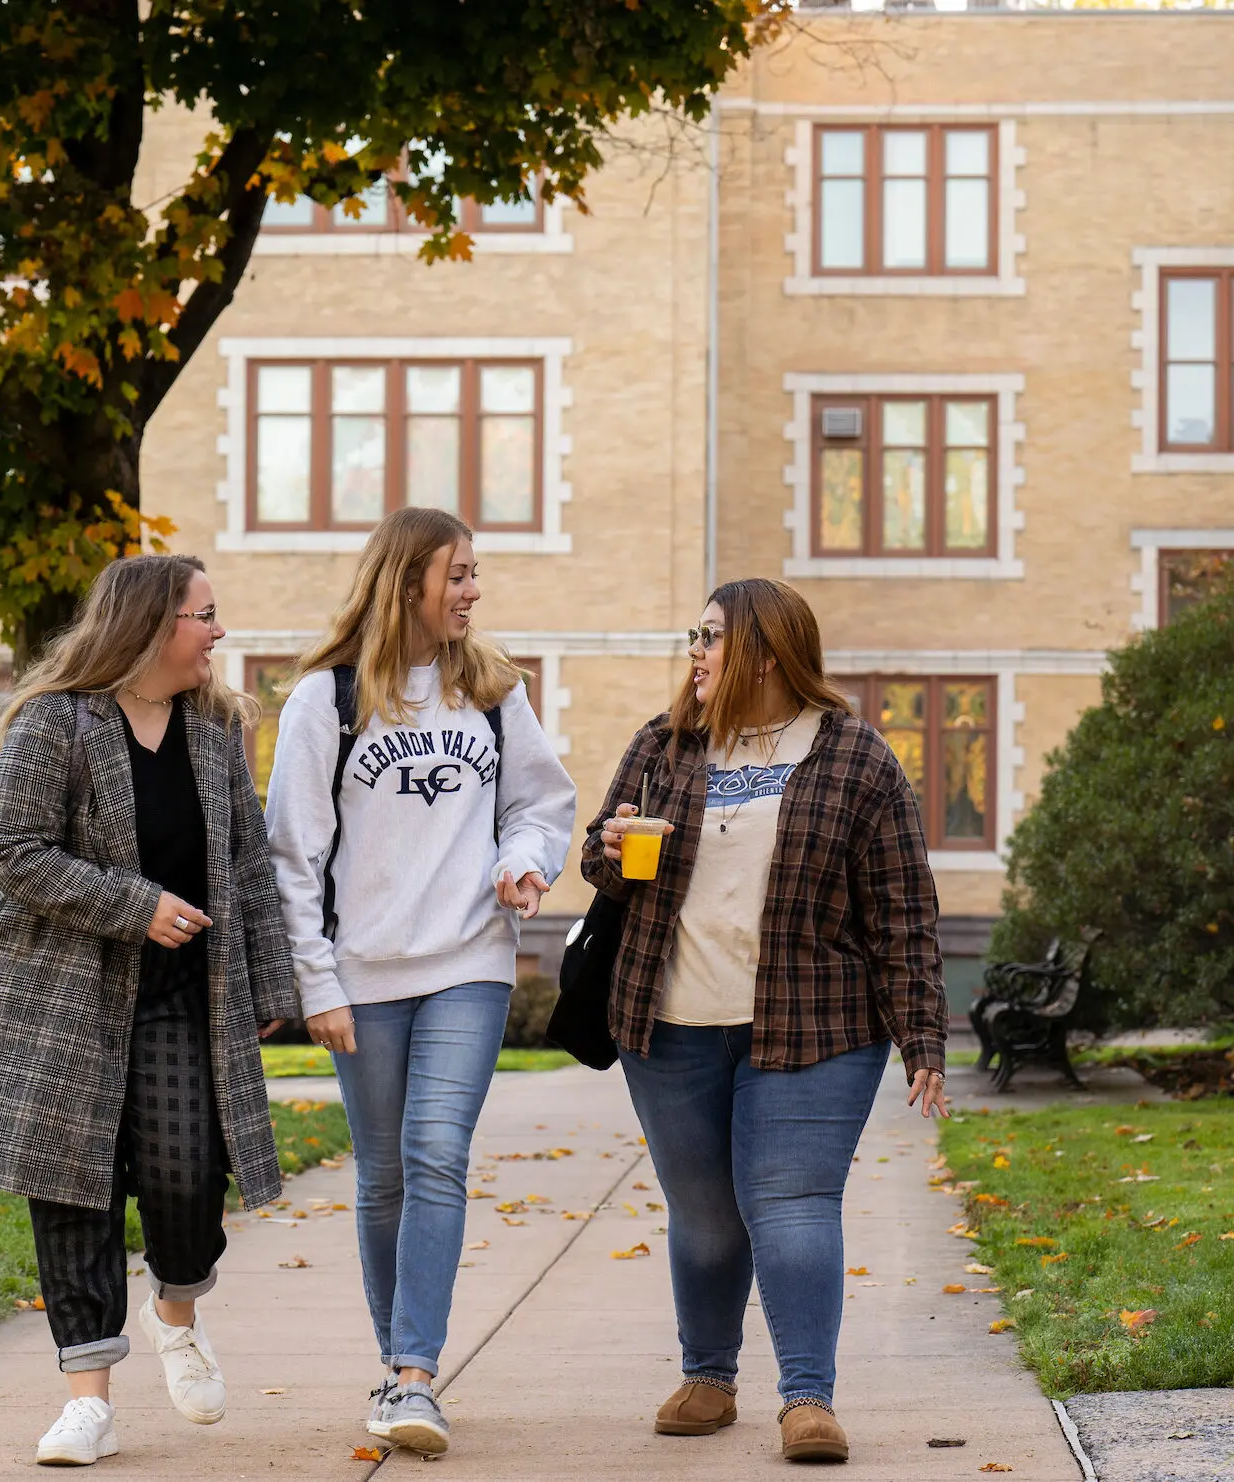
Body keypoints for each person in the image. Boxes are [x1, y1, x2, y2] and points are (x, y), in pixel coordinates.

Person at [580, 576, 950, 1465]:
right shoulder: (663, 746)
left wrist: (922, 1035)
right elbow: (606, 868)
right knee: (706, 1216)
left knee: (790, 1206)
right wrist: (609, 850)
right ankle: (708, 1377)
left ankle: (808, 1399)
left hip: (816, 1026)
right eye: (693, 637)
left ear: (769, 654)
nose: (697, 653)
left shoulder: (856, 758)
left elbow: (902, 908)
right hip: (668, 1025)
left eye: (712, 638)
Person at [0, 554, 302, 1468]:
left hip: (185, 1000)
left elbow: (245, 864)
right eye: (205, 614)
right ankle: (88, 1402)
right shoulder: (50, 723)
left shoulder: (215, 728)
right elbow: (10, 850)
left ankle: (176, 1312)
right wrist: (134, 903)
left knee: (189, 1181)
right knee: (74, 1196)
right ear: (151, 626)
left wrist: (273, 983)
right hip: (60, 1003)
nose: (218, 631)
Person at [265, 506, 578, 1456]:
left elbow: (540, 800)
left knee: (437, 1151)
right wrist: (315, 981)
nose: (474, 591)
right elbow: (292, 851)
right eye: (460, 574)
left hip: (468, 962)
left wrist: (521, 859)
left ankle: (412, 1377)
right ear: (407, 583)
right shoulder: (326, 702)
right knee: (386, 1173)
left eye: (476, 573)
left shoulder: (491, 689)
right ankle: (396, 1358)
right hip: (360, 970)